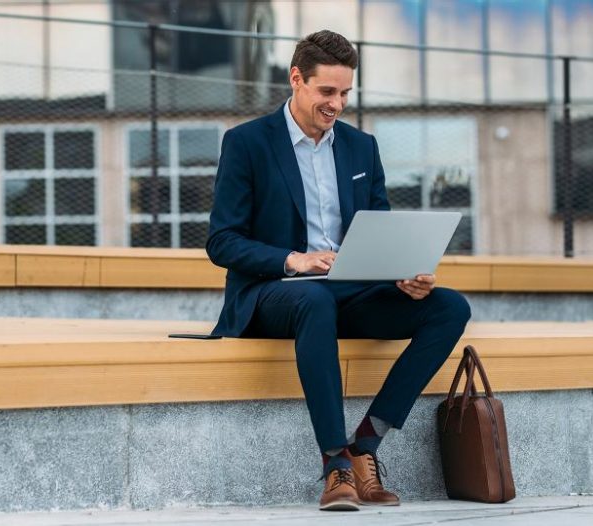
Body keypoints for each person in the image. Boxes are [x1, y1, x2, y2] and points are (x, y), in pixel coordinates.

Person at [205, 29, 471, 512]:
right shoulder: (247, 143)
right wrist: (294, 259)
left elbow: (380, 227)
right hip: (276, 292)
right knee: (314, 298)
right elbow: (222, 242)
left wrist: (404, 274)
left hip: (347, 291)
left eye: (345, 93)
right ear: (296, 80)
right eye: (327, 91)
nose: (337, 104)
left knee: (449, 306)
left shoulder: (360, 148)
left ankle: (366, 445)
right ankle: (335, 465)